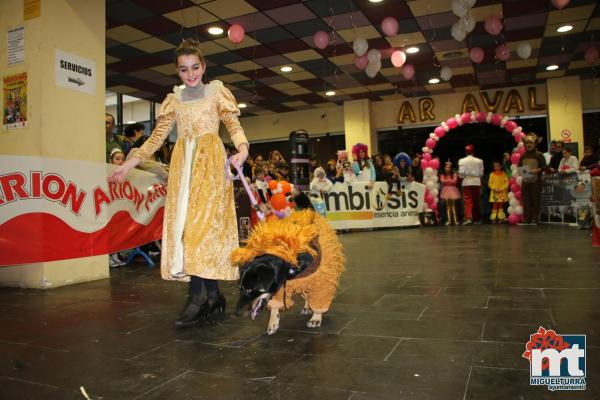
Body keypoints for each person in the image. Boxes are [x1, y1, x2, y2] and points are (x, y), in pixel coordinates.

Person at [107, 38, 249, 328]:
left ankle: (197, 298)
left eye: (195, 67)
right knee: (188, 232)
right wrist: (131, 163)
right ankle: (212, 295)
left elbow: (233, 125)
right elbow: (157, 137)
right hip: (184, 168)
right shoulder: (174, 99)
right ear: (177, 71)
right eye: (184, 70)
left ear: (204, 66)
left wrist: (242, 149)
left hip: (210, 166)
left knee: (200, 231)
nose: (191, 74)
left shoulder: (216, 93)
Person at [518, 133, 547, 225]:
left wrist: (538, 170)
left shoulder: (539, 155)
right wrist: (521, 172)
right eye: (526, 143)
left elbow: (544, 167)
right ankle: (527, 219)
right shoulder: (523, 156)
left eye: (530, 143)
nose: (528, 145)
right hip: (525, 181)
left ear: (535, 144)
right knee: (526, 200)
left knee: (535, 200)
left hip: (536, 181)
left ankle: (535, 218)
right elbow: (519, 166)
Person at [458, 144, 484, 225]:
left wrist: (462, 176)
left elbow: (461, 173)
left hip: (466, 182)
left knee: (467, 200)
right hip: (476, 181)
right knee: (476, 200)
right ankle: (476, 218)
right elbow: (481, 174)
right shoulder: (480, 161)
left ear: (466, 152)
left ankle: (469, 218)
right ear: (473, 151)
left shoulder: (461, 160)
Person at [440, 161, 461, 225]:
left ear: (451, 168)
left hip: (453, 191)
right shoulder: (443, 175)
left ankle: (455, 220)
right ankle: (449, 220)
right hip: (446, 191)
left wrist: (447, 181)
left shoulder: (454, 174)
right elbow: (442, 181)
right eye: (446, 167)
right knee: (448, 206)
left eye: (449, 167)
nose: (447, 168)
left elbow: (454, 181)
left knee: (453, 206)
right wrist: (449, 181)